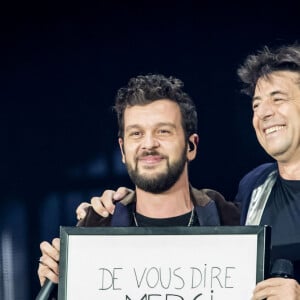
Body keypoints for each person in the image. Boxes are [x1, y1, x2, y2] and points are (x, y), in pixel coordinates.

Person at [75, 43, 300, 300]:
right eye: (256, 105)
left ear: (191, 146)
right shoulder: (254, 189)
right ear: (123, 150)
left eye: (278, 98)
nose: (264, 113)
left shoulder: (225, 216)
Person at [37, 74, 240, 296]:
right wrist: (58, 289)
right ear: (123, 150)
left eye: (163, 131)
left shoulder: (233, 220)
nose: (149, 144)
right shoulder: (93, 229)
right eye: (137, 133)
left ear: (191, 146)